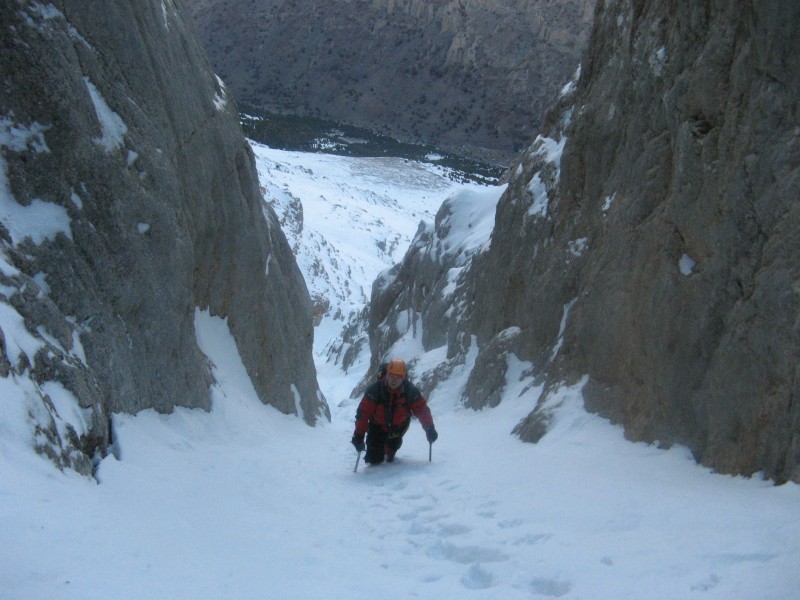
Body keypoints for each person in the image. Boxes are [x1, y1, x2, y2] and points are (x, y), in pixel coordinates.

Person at [351, 358, 438, 464]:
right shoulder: (375, 390)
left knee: (389, 456)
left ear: (403, 378)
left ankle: (389, 449)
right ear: (387, 375)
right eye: (391, 376)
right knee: (374, 460)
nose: (394, 380)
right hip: (377, 428)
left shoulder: (409, 390)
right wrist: (359, 435)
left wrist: (429, 428)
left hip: (398, 429)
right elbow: (363, 413)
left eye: (398, 378)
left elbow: (421, 409)